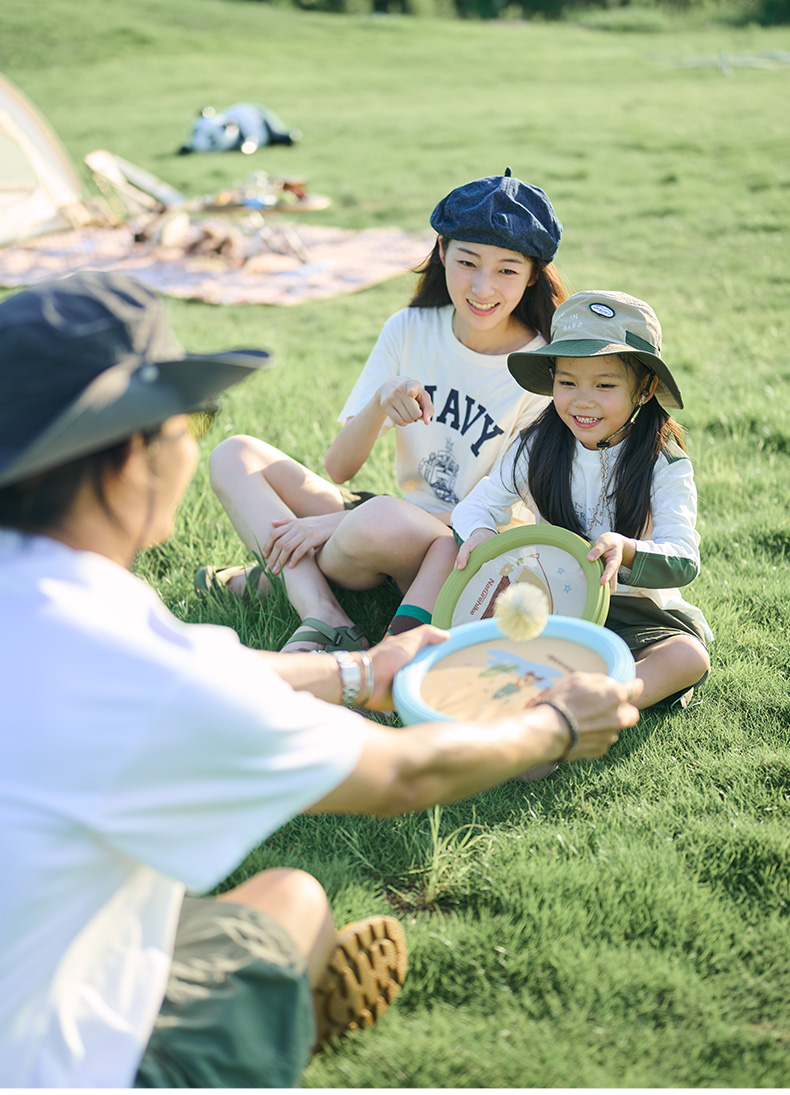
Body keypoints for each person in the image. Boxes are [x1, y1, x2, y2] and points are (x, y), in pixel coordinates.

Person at [0, 272, 641, 1088]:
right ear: (131, 456)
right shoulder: (127, 665)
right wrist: (555, 724)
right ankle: (276, 1021)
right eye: (190, 424)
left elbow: (199, 669)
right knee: (296, 903)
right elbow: (402, 775)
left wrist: (357, 670)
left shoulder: (59, 605)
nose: (193, 448)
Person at [201, 169, 566, 650]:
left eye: (507, 270)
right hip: (390, 522)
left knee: (377, 519)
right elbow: (339, 468)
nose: (483, 287)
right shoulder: (409, 328)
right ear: (442, 252)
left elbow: (506, 516)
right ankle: (324, 613)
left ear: (532, 276)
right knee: (235, 454)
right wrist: (379, 403)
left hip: (467, 544)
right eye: (468, 262)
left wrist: (334, 524)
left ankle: (276, 577)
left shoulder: (541, 371)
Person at [452, 290, 713, 710]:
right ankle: (559, 689)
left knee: (687, 657)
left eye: (605, 384)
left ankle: (577, 707)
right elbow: (474, 506)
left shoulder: (663, 463)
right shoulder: (536, 446)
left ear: (645, 388)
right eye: (567, 382)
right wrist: (480, 534)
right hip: (552, 603)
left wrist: (627, 549)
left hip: (632, 613)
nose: (582, 400)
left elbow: (684, 558)